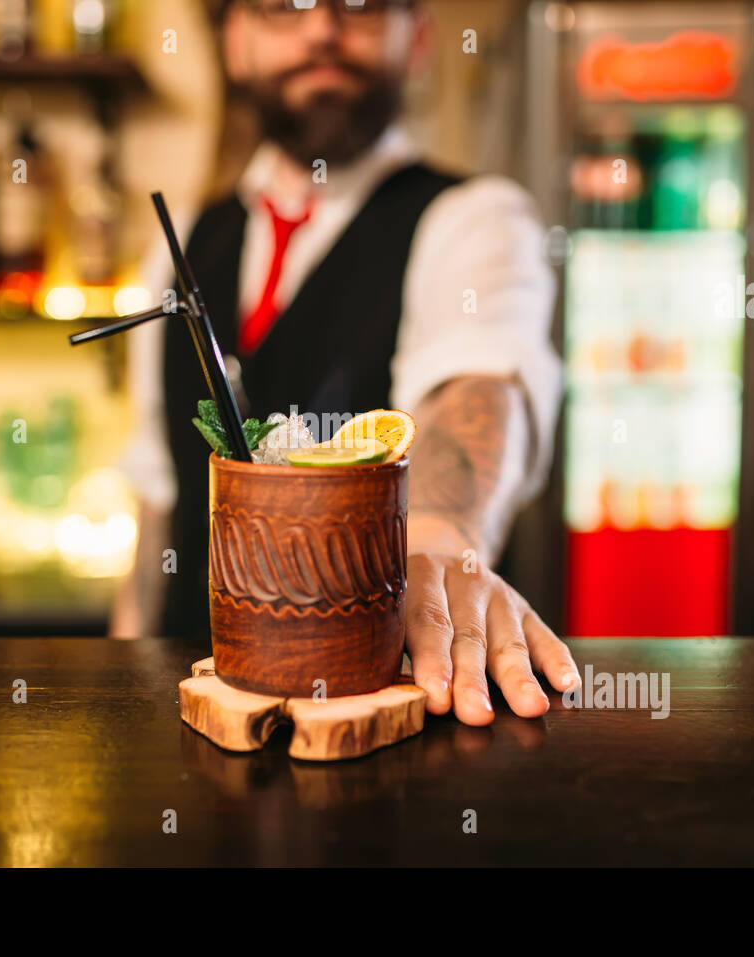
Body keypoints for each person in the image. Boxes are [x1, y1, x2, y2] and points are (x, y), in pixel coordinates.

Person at [112, 0, 579, 725]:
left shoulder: (475, 220)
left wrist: (433, 537)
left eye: (359, 4)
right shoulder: (178, 250)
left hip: (388, 727)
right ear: (235, 42)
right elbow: (159, 504)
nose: (322, 28)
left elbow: (475, 400)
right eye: (282, 5)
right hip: (194, 735)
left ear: (416, 38)